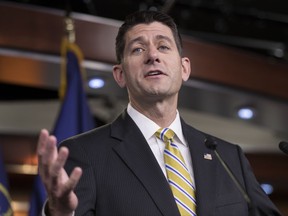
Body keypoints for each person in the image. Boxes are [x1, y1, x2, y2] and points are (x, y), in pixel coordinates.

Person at [37, 10, 282, 216]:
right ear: (120, 74)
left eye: (163, 46)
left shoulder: (229, 157)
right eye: (137, 50)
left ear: (184, 68)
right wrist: (60, 212)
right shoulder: (85, 154)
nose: (153, 56)